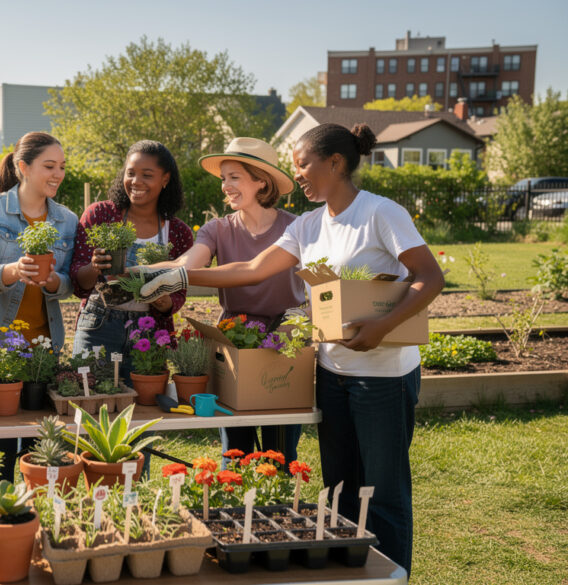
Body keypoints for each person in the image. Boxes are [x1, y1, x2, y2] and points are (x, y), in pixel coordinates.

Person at [137, 123, 444, 574]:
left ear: (334, 163)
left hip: (384, 373)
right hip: (332, 371)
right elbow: (253, 269)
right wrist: (182, 274)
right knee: (339, 485)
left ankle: (392, 576)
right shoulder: (309, 224)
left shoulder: (381, 213)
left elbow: (429, 277)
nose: (296, 173)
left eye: (302, 163)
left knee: (383, 491)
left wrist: (382, 326)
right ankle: (350, 572)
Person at [164, 138, 304, 464]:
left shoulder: (297, 228)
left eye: (234, 177)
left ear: (261, 181)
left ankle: (275, 508)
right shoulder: (216, 230)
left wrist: (296, 325)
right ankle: (234, 508)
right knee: (235, 451)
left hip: (283, 343)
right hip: (233, 341)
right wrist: (142, 272)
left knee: (279, 453)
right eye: (223, 178)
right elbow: (188, 267)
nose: (225, 186)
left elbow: (317, 292)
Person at [0, 131, 78, 480]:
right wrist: (13, 271)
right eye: (49, 166)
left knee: (37, 447)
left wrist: (56, 281)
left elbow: (70, 282)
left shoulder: (67, 220)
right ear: (22, 167)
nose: (58, 174)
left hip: (43, 346)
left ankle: (34, 519)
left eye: (61, 166)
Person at [69, 140, 192, 374]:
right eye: (131, 173)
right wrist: (95, 266)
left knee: (146, 406)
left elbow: (179, 295)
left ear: (165, 179)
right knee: (90, 397)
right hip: (99, 323)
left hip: (150, 330)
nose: (136, 182)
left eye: (147, 175)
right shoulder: (101, 214)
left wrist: (164, 301)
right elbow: (78, 282)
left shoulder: (178, 232)